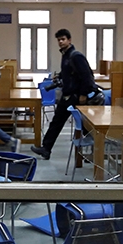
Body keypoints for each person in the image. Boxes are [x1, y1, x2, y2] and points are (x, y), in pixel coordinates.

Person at [30, 29, 99, 160]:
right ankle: (46, 149)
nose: (61, 42)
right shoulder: (66, 55)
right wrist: (60, 76)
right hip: (67, 94)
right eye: (59, 40)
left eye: (63, 39)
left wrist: (83, 95)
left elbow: (87, 76)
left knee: (85, 126)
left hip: (76, 96)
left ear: (69, 40)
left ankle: (97, 150)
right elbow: (69, 72)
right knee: (57, 122)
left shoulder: (76, 56)